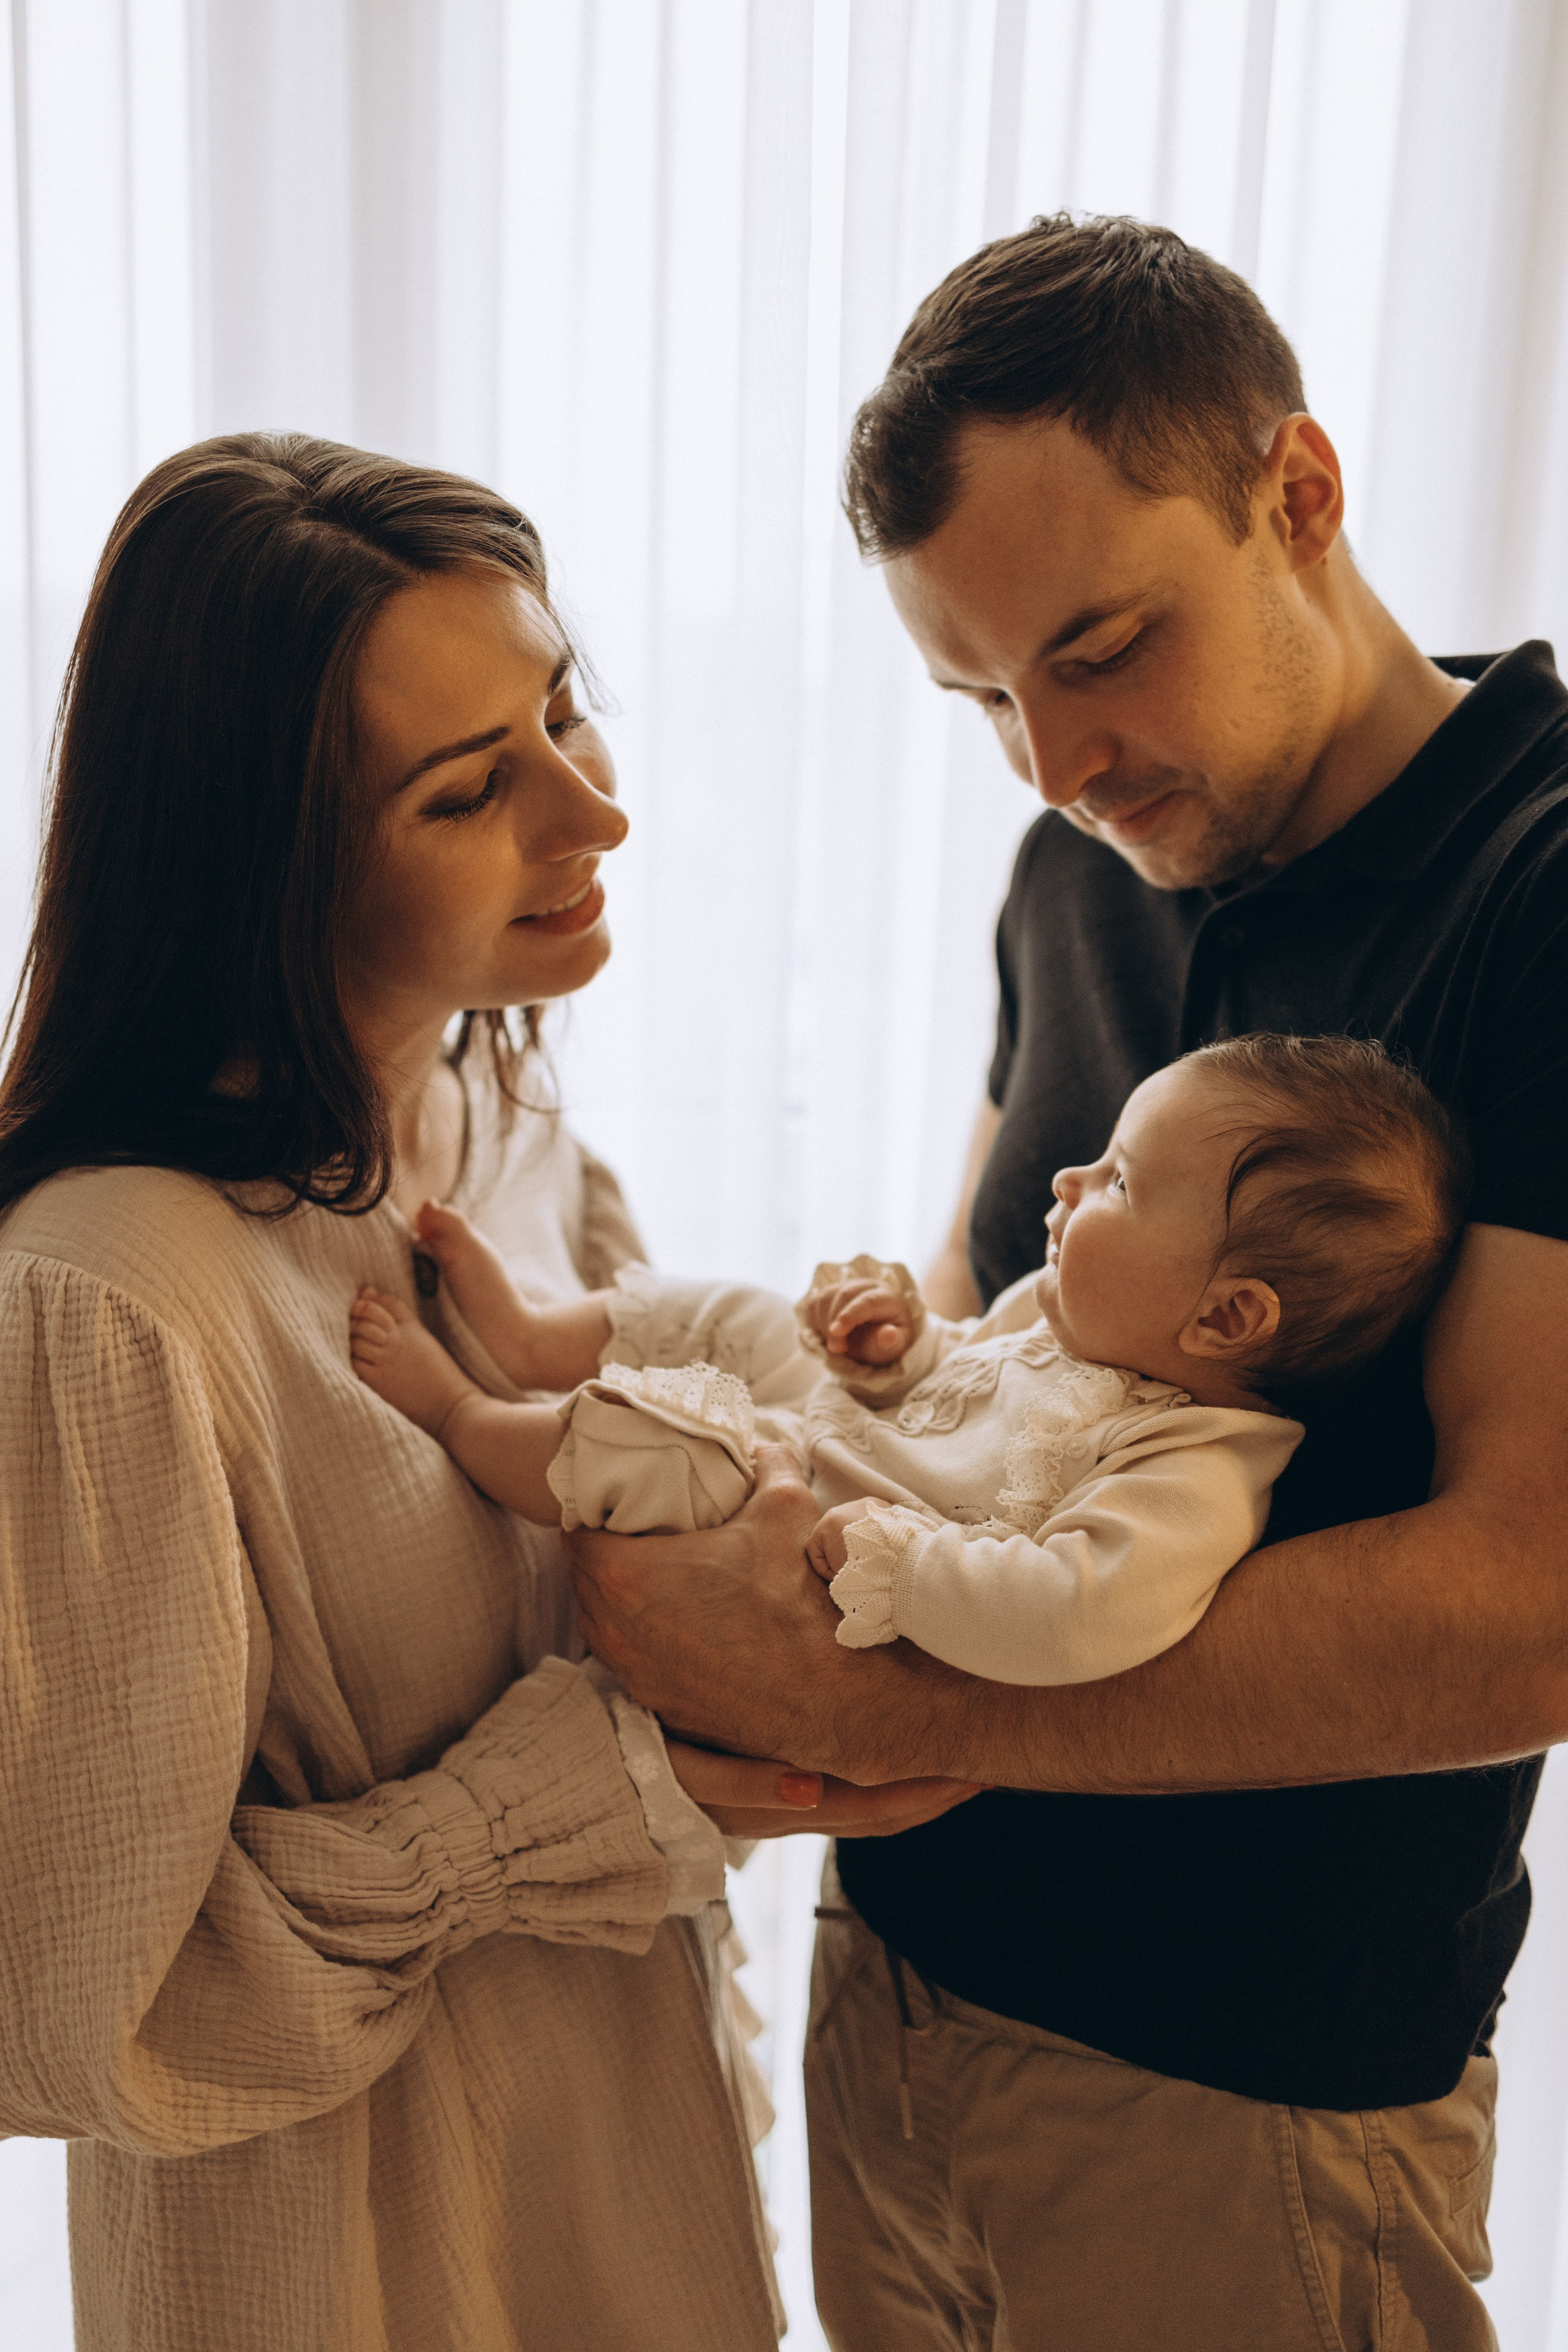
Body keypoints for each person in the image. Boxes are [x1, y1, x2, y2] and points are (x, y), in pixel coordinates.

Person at [567, 214, 1568, 2351]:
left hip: (1242, 2102)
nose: (1054, 768)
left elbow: (1539, 1595)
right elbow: (967, 1362)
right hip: (898, 2003)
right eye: (983, 695)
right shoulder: (1078, 869)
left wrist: (865, 1686)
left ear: (1298, 497)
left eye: (1103, 649)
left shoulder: (1546, 893)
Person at [0, 434, 971, 2352]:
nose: (591, 814)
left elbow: (629, 1532)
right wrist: (572, 1809)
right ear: (262, 857)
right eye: (471, 790)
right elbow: (62, 2006)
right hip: (351, 2282)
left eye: (564, 711)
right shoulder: (110, 1303)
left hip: (641, 2199)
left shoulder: (494, 1105)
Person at [349, 1034, 1466, 1692]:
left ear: (1227, 1318)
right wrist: (894, 1349)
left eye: (1120, 1182)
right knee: (746, 1311)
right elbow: (963, 1373)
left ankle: (456, 1412)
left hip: (803, 1523)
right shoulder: (1067, 1312)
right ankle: (541, 1334)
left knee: (654, 1442)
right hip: (839, 1432)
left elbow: (1080, 1613)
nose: (1072, 1180)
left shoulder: (1196, 1472)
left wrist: (903, 1568)